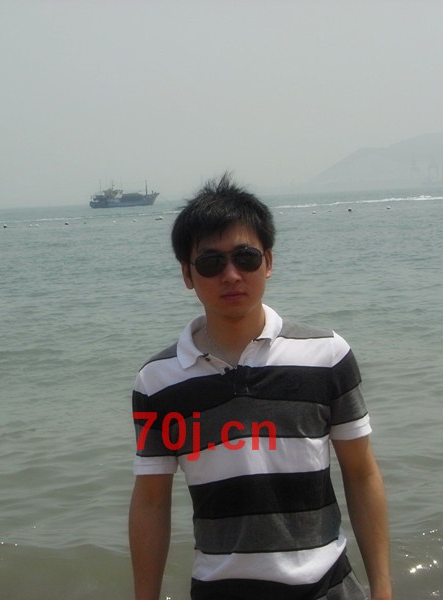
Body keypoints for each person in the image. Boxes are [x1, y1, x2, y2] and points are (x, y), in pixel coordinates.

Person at [129, 174, 392, 600]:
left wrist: (382, 588)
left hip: (328, 587)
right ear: (187, 274)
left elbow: (361, 474)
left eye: (246, 258)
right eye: (211, 263)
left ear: (268, 262)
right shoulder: (158, 382)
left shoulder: (327, 355)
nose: (231, 275)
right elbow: (151, 503)